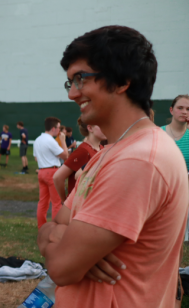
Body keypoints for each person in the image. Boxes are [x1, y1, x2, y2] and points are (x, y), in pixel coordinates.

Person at [37, 26, 188, 308]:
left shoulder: (139, 160)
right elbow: (53, 225)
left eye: (81, 79)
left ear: (122, 82)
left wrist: (69, 250)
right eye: (70, 82)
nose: (72, 94)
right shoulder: (109, 153)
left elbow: (60, 268)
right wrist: (66, 241)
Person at [52, 117, 105, 203]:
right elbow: (58, 177)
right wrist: (64, 200)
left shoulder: (101, 148)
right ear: (90, 128)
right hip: (80, 205)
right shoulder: (83, 151)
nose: (106, 127)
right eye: (101, 125)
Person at [161, 94, 189, 241]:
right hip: (162, 192)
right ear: (171, 110)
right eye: (180, 108)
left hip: (186, 191)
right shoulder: (158, 133)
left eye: (188, 109)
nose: (184, 112)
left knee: (179, 236)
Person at [33, 117, 68, 228]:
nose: (59, 130)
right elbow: (65, 156)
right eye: (58, 128)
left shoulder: (38, 139)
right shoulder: (50, 140)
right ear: (53, 128)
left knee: (42, 203)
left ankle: (41, 228)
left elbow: (36, 158)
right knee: (56, 203)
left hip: (41, 171)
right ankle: (54, 229)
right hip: (52, 171)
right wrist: (63, 140)